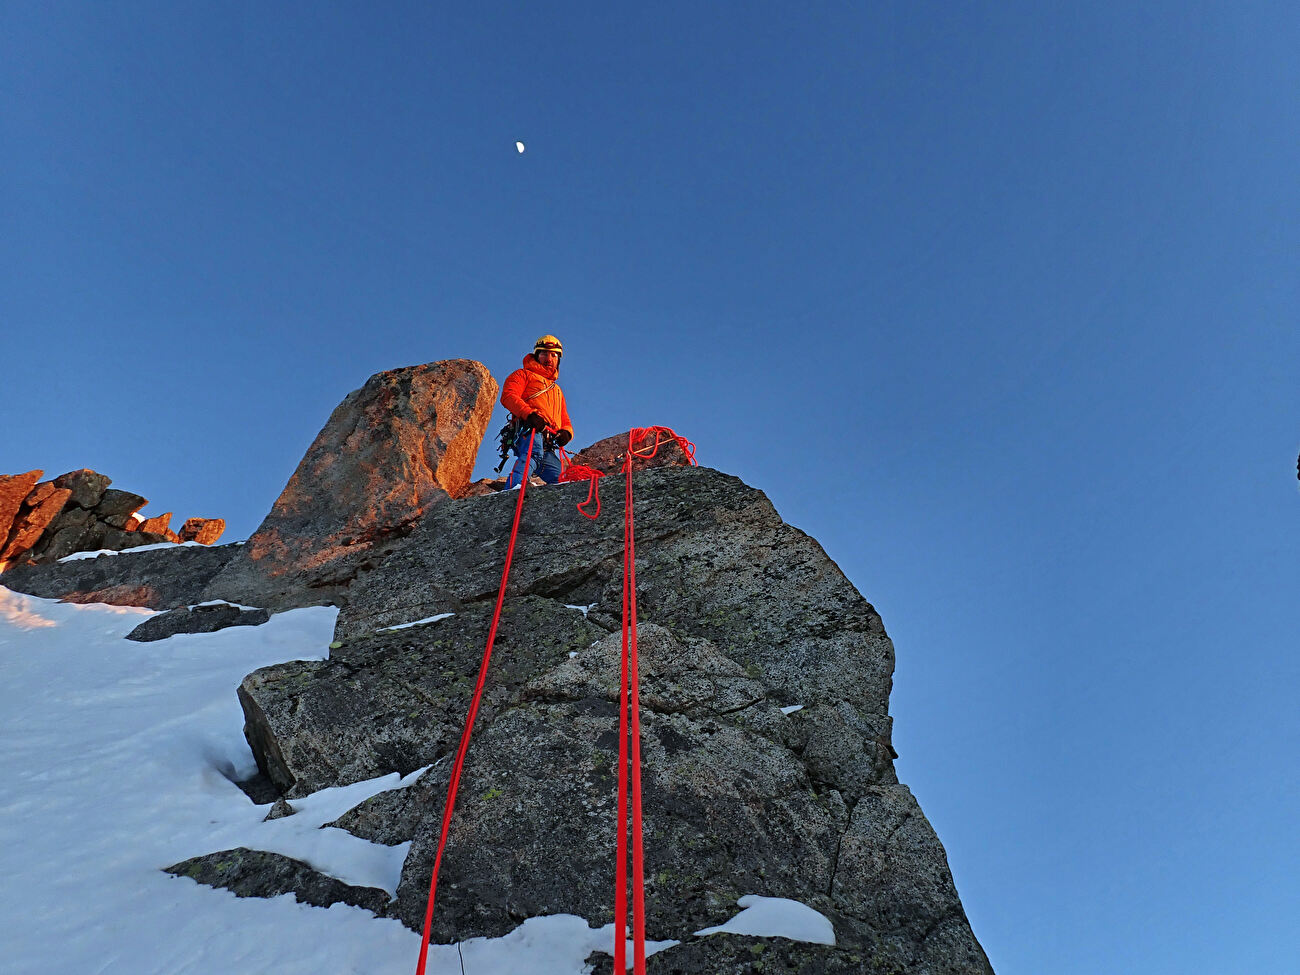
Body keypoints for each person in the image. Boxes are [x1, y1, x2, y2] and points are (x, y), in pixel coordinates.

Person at [500, 335, 574, 488]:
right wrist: (529, 414)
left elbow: (564, 418)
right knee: (533, 454)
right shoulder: (522, 375)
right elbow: (508, 396)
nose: (549, 358)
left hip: (547, 441)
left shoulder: (557, 390)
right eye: (544, 354)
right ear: (536, 356)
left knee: (561, 479)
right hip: (529, 430)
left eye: (554, 355)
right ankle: (514, 489)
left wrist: (566, 432)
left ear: (558, 360)